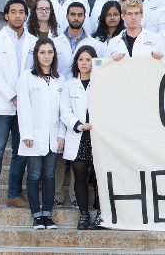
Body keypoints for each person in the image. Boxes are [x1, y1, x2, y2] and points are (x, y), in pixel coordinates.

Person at [0, 0, 36, 211]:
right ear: (6, 16)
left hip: (26, 106)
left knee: (21, 151)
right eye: (12, 12)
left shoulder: (33, 42)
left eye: (21, 12)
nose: (16, 16)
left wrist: (24, 97)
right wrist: (12, 96)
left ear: (26, 16)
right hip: (3, 105)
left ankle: (14, 194)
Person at [16, 38, 65, 230]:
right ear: (36, 55)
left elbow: (63, 111)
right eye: (42, 52)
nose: (46, 56)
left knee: (50, 175)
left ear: (54, 55)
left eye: (50, 52)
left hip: (53, 136)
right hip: (33, 136)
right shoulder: (27, 77)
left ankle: (48, 215)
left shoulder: (60, 79)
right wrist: (26, 133)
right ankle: (36, 215)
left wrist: (61, 135)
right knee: (35, 175)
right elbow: (24, 107)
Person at [59, 46, 103, 230]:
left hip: (99, 136)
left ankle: (102, 213)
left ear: (94, 62)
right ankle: (84, 215)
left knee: (101, 176)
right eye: (81, 59)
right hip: (79, 136)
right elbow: (65, 112)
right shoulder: (69, 85)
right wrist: (79, 125)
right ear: (76, 62)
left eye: (88, 59)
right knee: (80, 176)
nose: (84, 63)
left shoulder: (102, 82)